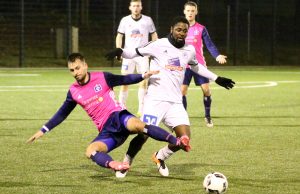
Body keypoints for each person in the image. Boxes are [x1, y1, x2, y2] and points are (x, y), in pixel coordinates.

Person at [105, 16, 235, 178]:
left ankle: (160, 156)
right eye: (178, 29)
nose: (181, 33)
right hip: (155, 101)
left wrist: (217, 78)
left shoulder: (189, 50)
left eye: (185, 30)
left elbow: (196, 67)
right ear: (171, 29)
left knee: (184, 139)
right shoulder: (159, 44)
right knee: (143, 135)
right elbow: (136, 52)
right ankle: (127, 161)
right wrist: (121, 51)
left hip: (175, 103)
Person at [26, 53, 191, 174]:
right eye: (71, 70)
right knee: (90, 150)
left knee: (139, 125)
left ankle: (176, 141)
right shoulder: (73, 91)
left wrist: (143, 75)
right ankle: (117, 166)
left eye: (77, 67)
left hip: (119, 117)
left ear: (85, 65)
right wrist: (43, 130)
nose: (75, 72)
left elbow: (124, 79)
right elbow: (62, 114)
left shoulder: (102, 77)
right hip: (106, 131)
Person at [182, 1, 228, 127]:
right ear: (184, 11)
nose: (190, 13)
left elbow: (209, 44)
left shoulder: (201, 28)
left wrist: (217, 55)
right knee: (182, 91)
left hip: (199, 65)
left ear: (196, 12)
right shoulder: (180, 28)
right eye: (188, 10)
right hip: (184, 66)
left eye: (192, 11)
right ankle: (183, 117)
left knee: (206, 90)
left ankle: (207, 116)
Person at [116, 0, 158, 116]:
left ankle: (141, 109)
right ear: (130, 7)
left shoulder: (147, 20)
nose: (136, 8)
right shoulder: (125, 20)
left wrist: (154, 50)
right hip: (127, 55)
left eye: (138, 6)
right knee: (124, 81)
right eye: (134, 6)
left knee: (144, 80)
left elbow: (154, 35)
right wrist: (118, 50)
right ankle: (121, 107)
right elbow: (119, 36)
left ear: (141, 7)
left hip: (142, 55)